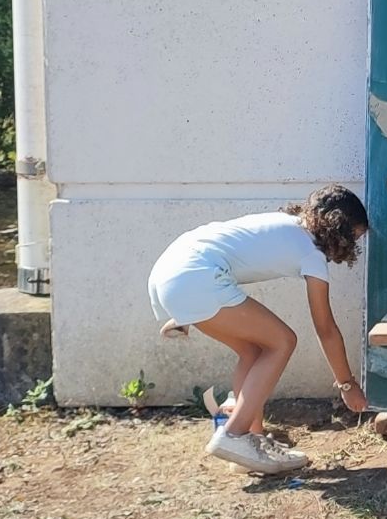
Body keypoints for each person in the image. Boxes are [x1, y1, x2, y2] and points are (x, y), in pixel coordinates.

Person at [149, 185, 372, 474]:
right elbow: (325, 328)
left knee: (253, 350)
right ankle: (234, 435)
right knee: (283, 341)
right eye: (354, 237)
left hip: (171, 270)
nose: (353, 247)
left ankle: (250, 444)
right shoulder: (311, 254)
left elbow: (230, 251)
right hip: (195, 277)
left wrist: (187, 309)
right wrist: (347, 385)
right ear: (338, 229)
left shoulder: (283, 226)